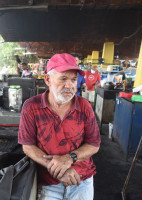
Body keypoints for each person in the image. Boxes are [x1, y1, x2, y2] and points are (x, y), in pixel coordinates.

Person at [18, 53, 101, 200]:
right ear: (48, 79)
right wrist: (59, 170)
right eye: (63, 79)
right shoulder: (31, 106)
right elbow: (28, 146)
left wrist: (69, 158)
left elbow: (93, 144)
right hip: (48, 183)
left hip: (81, 180)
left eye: (73, 80)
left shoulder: (84, 106)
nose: (69, 85)